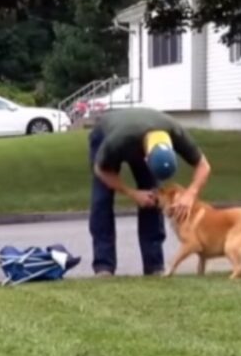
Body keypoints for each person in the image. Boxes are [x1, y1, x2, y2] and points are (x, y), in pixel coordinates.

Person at [89, 107, 211, 277]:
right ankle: (104, 267)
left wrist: (190, 194)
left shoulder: (176, 133)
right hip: (107, 132)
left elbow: (203, 166)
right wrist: (132, 193)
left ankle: (154, 265)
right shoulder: (119, 141)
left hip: (142, 132)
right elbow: (101, 170)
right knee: (102, 200)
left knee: (154, 198)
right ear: (145, 158)